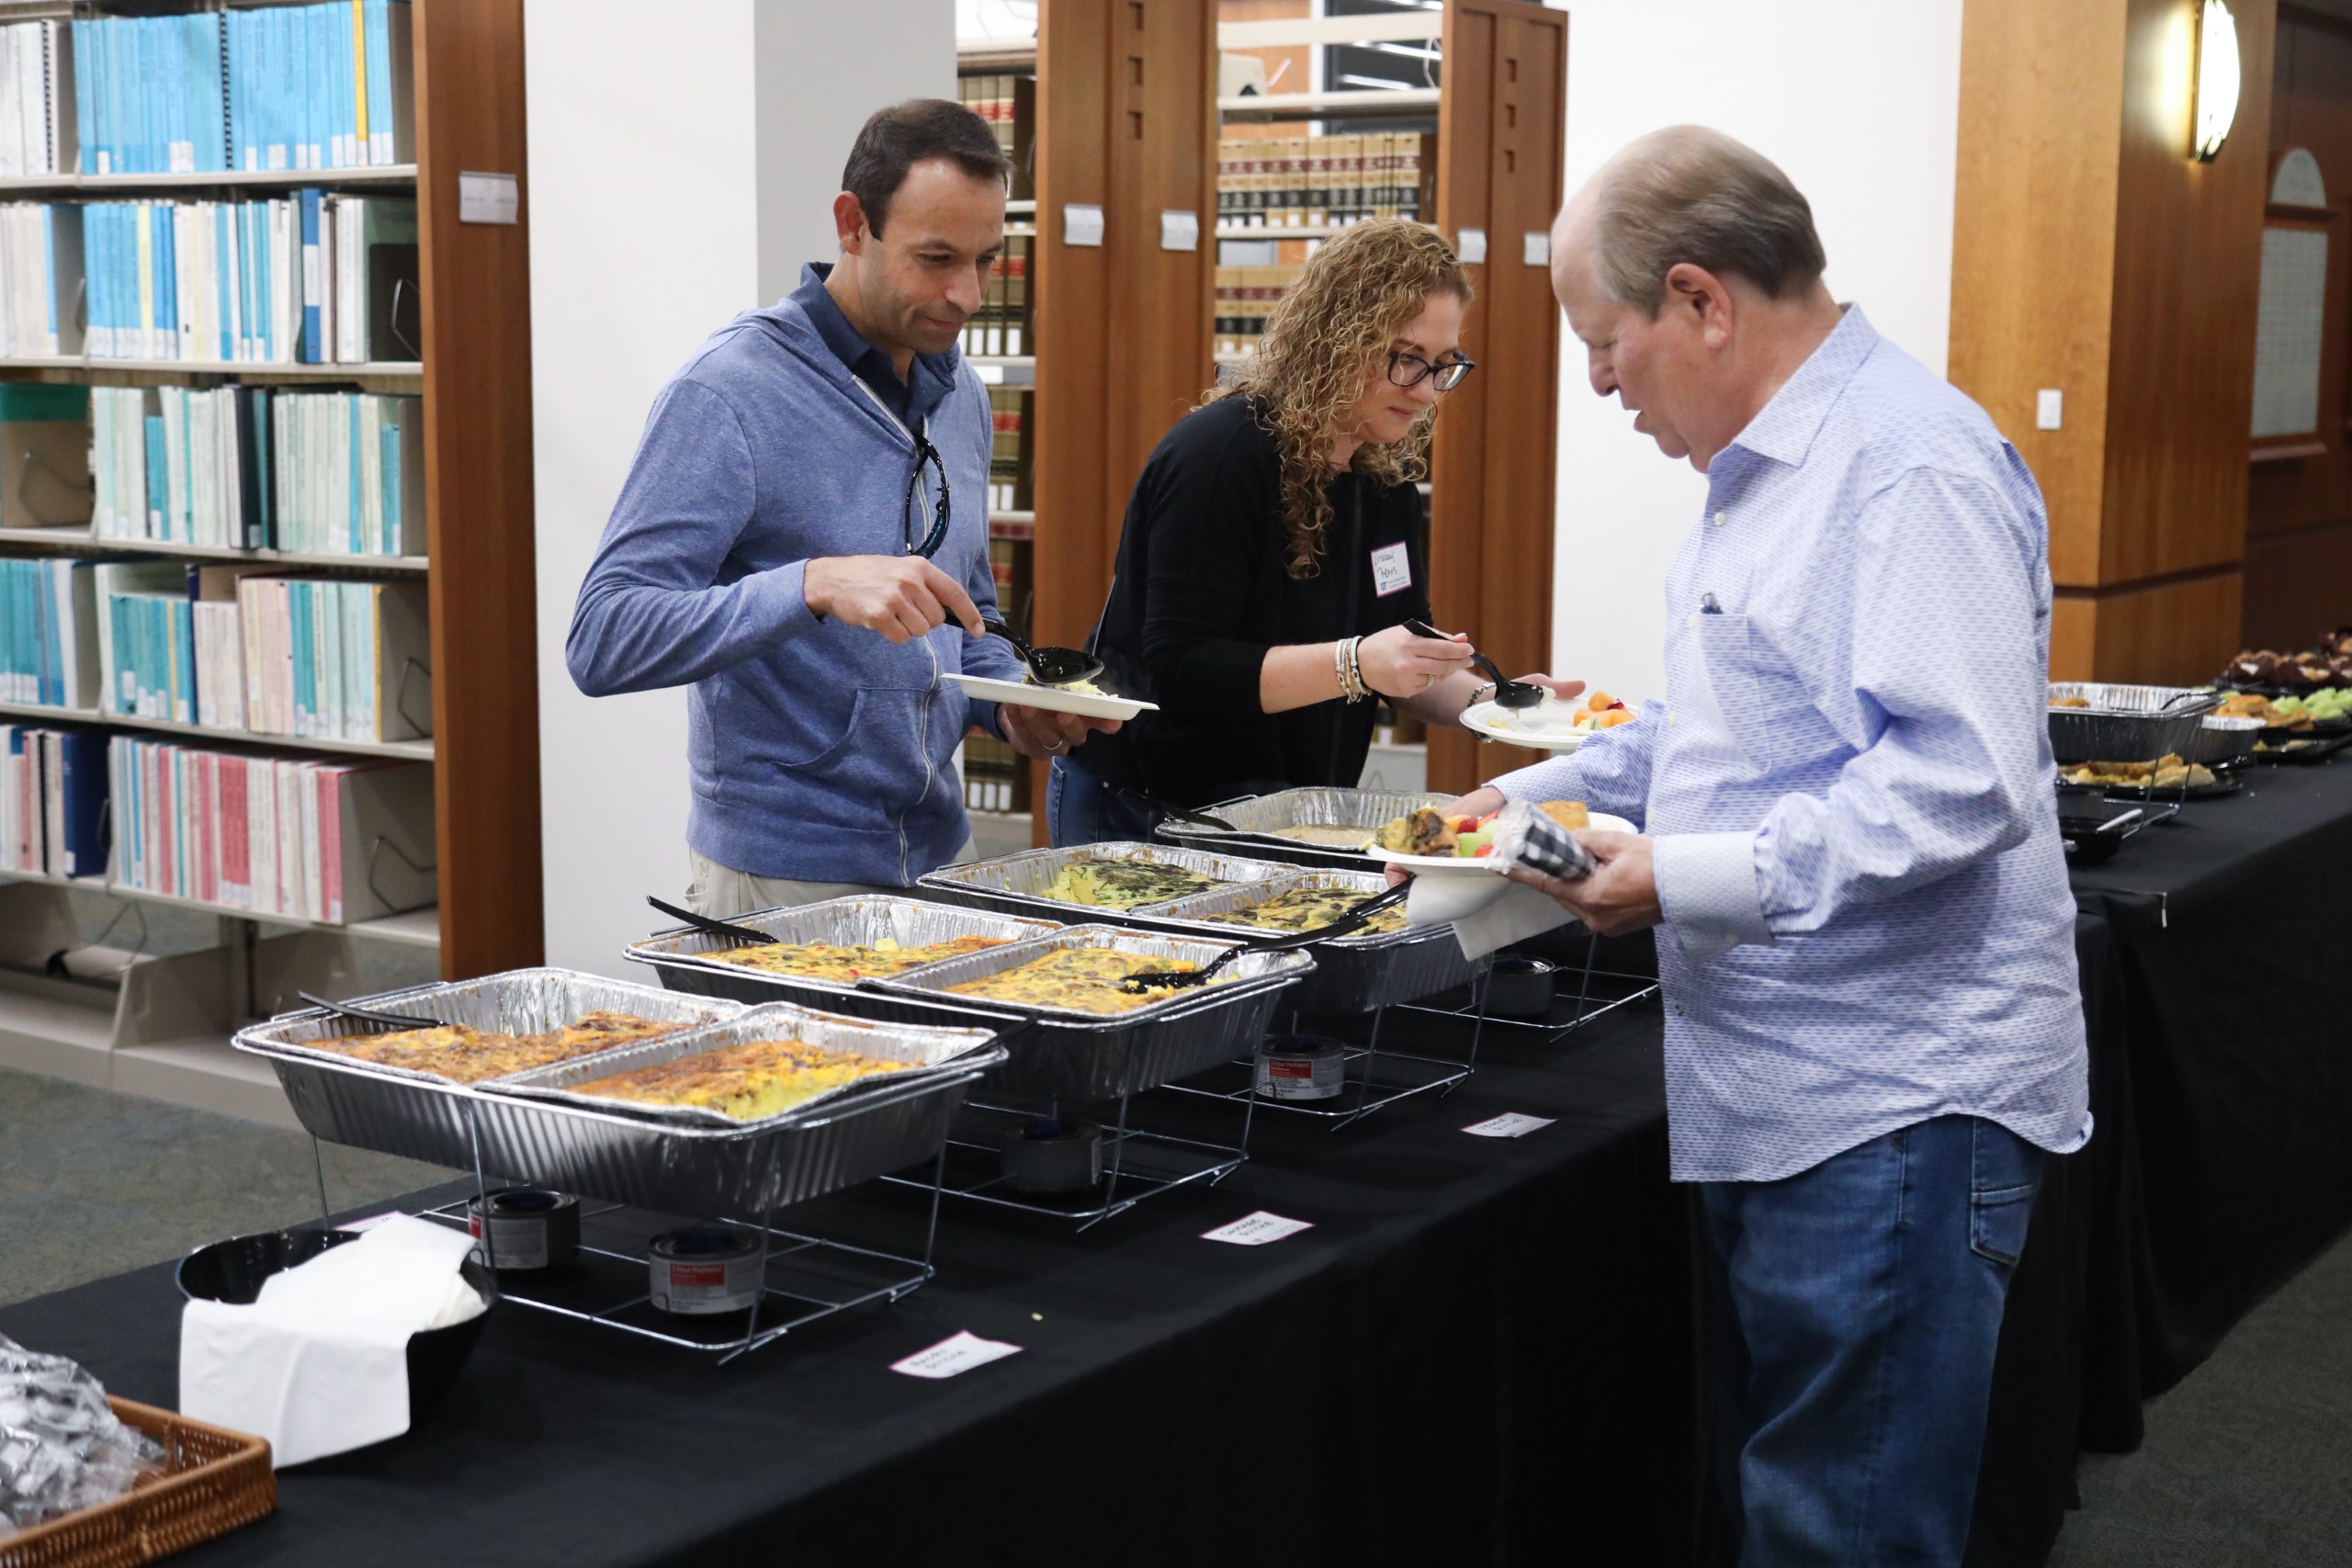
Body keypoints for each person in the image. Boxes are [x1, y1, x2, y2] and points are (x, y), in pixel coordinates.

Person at [1458, 128, 2090, 1566]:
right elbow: (1737, 728)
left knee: (1842, 1531)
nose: (1602, 384)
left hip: (1891, 1109)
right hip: (1802, 1095)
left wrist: (1679, 873)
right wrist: (1530, 792)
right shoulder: (1772, 477)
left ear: (1699, 299)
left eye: (1602, 342)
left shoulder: (1902, 469)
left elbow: (1957, 782)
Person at [567, 99, 1109, 916]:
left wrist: (1007, 702)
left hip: (940, 860)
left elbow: (971, 610)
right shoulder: (728, 393)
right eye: (935, 259)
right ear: (852, 224)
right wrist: (812, 584)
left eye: (988, 261)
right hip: (783, 879)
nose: (967, 294)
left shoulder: (958, 390)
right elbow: (603, 636)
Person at [1048, 219, 1573, 845]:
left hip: (1282, 814)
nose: (1428, 391)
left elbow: (1402, 662)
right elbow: (1182, 669)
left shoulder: (1385, 478)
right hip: (1152, 806)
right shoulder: (1220, 456)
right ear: (1336, 340)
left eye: (1443, 365)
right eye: (1406, 359)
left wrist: (1497, 702)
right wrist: (1355, 664)